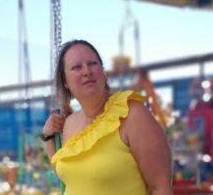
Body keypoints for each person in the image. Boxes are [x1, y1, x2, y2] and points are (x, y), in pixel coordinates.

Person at [41, 39, 173, 195]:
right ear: (65, 82)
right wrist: (48, 137)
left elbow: (161, 187)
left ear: (103, 71)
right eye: (77, 67)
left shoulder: (131, 113)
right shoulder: (70, 122)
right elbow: (72, 176)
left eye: (92, 64)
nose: (86, 71)